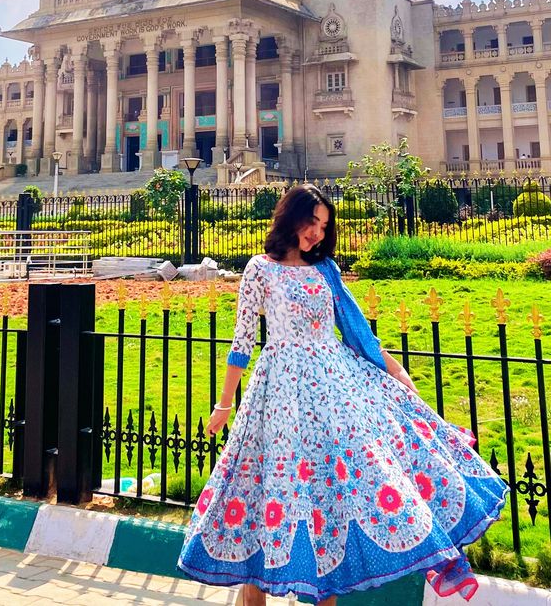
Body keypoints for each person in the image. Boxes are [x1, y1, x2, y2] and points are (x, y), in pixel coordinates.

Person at [178, 185, 508, 604]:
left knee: (331, 491)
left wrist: (399, 373)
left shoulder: (326, 269)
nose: (316, 232)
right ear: (290, 216)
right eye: (311, 221)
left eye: (323, 226)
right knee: (268, 489)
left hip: (335, 391)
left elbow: (357, 333)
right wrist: (225, 403)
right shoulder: (259, 268)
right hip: (278, 394)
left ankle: (325, 588)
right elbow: (242, 341)